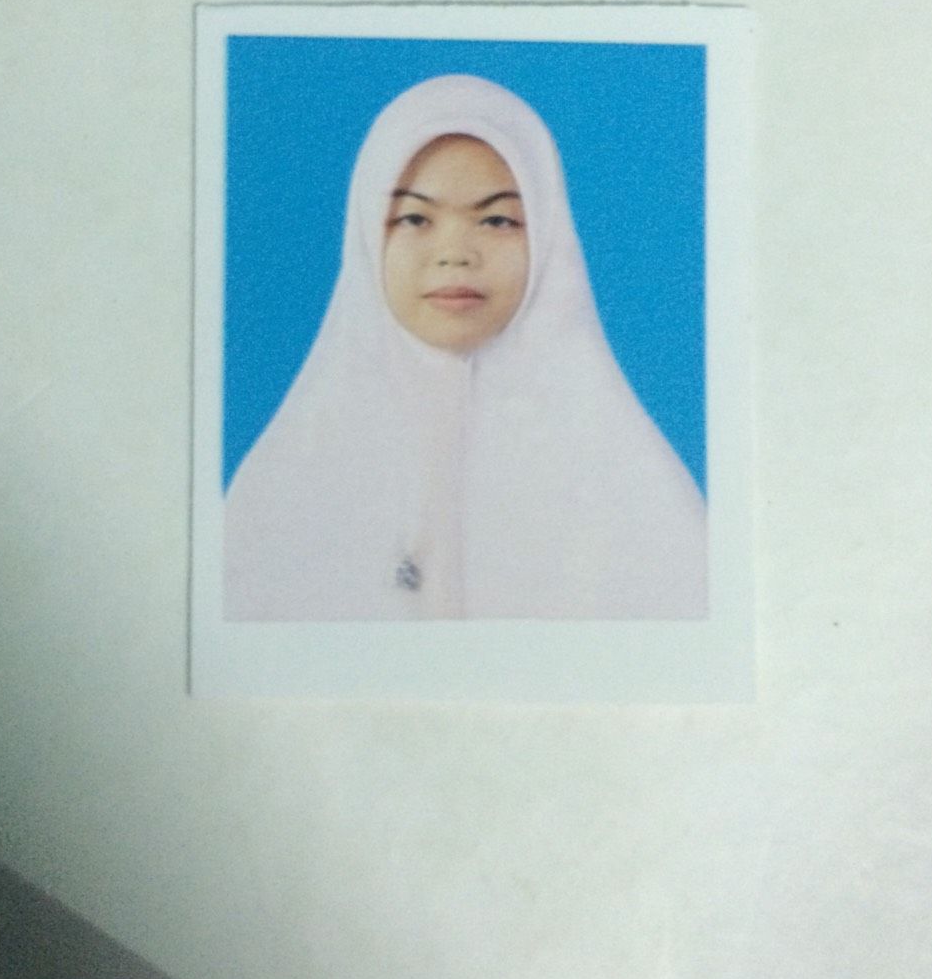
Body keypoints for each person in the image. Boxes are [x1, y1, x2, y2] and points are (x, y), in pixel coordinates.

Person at [224, 73, 707, 620]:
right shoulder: (279, 494)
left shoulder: (638, 492)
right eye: (414, 219)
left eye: (498, 220)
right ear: (367, 235)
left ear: (548, 235)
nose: (455, 253)